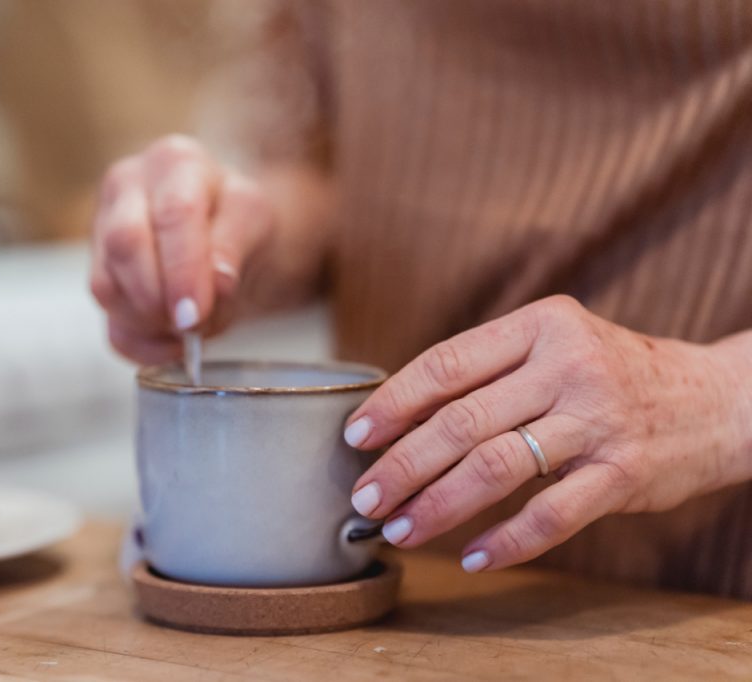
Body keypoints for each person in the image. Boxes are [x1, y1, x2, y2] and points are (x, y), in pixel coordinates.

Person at [89, 0, 752, 599]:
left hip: (710, 583)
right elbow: (320, 161)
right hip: (403, 583)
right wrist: (232, 238)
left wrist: (713, 396)